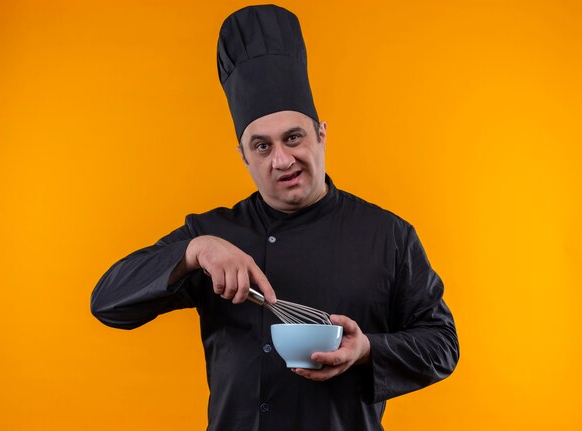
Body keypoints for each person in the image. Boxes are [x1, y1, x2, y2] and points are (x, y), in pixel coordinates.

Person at [91, 5, 459, 431]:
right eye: (262, 146)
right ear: (244, 156)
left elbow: (442, 344)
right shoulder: (212, 237)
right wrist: (193, 252)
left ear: (321, 134)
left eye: (294, 137)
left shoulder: (388, 235)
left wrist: (366, 350)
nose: (282, 159)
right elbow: (106, 303)